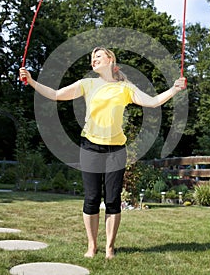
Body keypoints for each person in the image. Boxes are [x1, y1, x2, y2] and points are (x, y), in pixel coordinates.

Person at [19, 46, 186, 259]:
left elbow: (152, 102)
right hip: (90, 146)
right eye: (91, 58)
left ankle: (109, 248)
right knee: (91, 198)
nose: (93, 60)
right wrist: (31, 81)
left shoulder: (125, 87)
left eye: (98, 56)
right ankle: (92, 246)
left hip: (116, 150)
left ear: (110, 60)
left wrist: (174, 89)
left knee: (113, 200)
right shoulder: (87, 84)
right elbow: (56, 94)